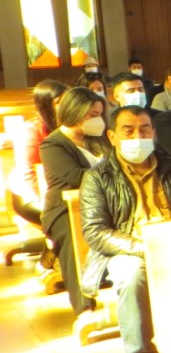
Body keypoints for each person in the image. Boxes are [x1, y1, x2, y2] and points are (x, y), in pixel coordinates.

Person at [80, 105, 171, 353]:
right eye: (129, 130)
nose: (138, 136)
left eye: (144, 129)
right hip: (128, 249)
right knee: (131, 275)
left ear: (153, 133)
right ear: (112, 136)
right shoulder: (97, 177)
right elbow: (96, 231)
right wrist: (144, 247)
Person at [41, 88, 110, 319]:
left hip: (103, 203)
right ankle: (84, 306)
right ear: (75, 113)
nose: (97, 120)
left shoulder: (97, 139)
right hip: (64, 210)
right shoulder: (53, 145)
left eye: (99, 114)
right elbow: (77, 177)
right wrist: (113, 173)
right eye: (92, 115)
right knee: (74, 236)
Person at [10, 80, 68, 228]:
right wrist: (53, 203)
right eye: (59, 102)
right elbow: (28, 174)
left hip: (61, 190)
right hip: (30, 195)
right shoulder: (30, 130)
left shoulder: (70, 126)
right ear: (45, 105)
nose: (66, 106)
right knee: (64, 222)